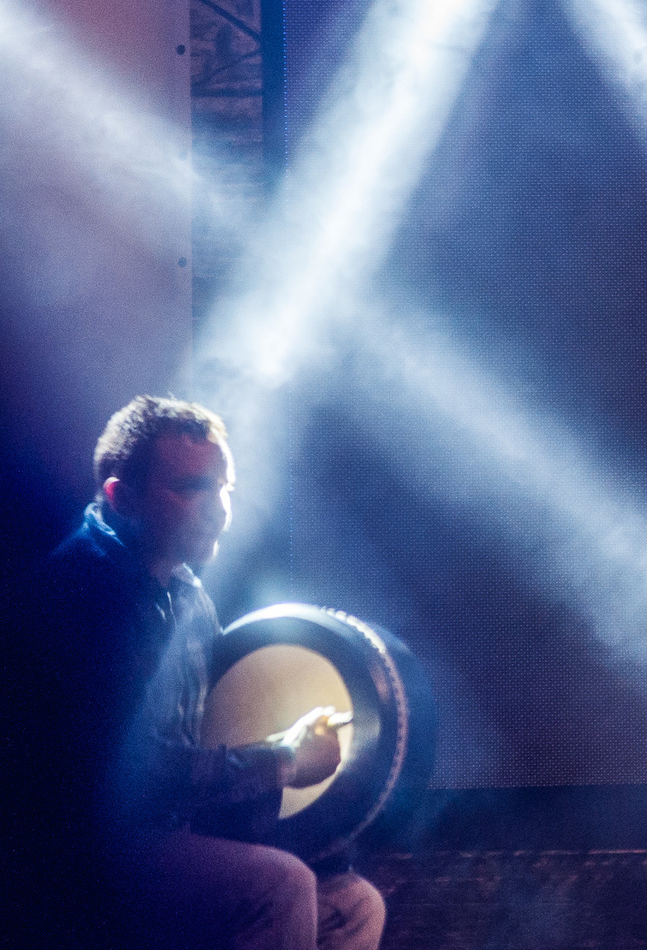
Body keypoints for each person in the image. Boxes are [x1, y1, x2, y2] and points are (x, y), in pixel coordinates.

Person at [35, 396, 384, 950]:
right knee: (282, 884)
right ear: (120, 497)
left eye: (224, 488)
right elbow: (130, 779)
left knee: (351, 902)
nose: (218, 507)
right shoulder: (81, 593)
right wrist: (283, 758)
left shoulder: (188, 594)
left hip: (163, 840)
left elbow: (199, 752)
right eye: (192, 488)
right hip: (81, 857)